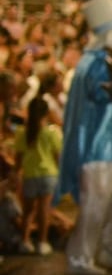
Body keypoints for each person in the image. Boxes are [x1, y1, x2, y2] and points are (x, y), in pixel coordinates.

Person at [58, 0, 112, 275]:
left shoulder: (102, 60)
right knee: (95, 203)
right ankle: (80, 257)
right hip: (97, 147)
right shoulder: (93, 64)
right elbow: (100, 93)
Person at [12, 98, 61, 256]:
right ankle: (42, 241)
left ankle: (25, 240)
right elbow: (57, 156)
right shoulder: (51, 133)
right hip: (48, 174)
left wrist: (15, 171)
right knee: (44, 210)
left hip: (30, 174)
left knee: (28, 211)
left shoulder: (22, 132)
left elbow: (18, 157)